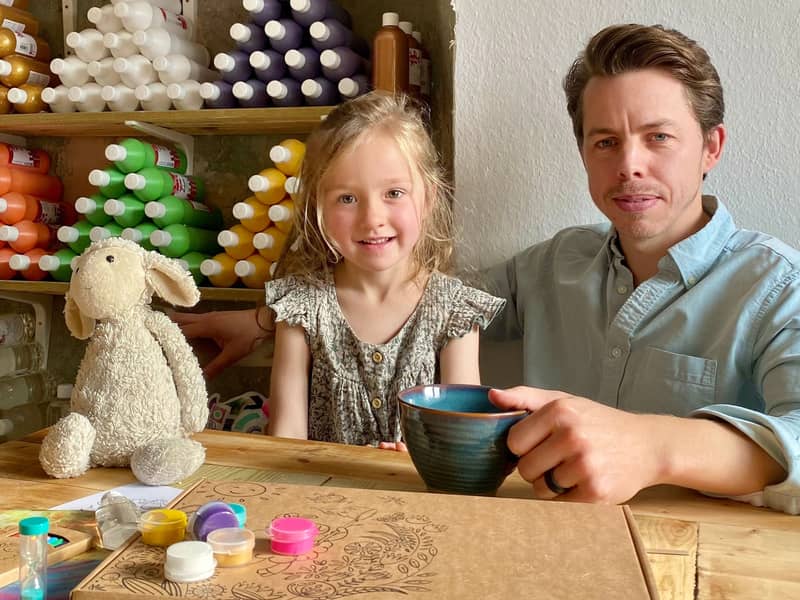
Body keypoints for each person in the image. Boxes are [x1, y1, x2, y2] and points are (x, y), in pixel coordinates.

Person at [175, 24, 800, 514]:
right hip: (533, 531)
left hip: (696, 553)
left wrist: (656, 446)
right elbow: (400, 297)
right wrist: (265, 317)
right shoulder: (555, 265)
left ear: (711, 147)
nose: (629, 164)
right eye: (605, 140)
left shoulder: (776, 285)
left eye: (659, 137)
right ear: (583, 151)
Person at [199, 92, 503, 447]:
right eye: (347, 198)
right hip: (320, 497)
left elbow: (464, 445)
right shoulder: (301, 307)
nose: (372, 219)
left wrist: (418, 460)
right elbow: (285, 440)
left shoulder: (455, 311)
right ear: (318, 208)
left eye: (394, 193)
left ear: (429, 198)